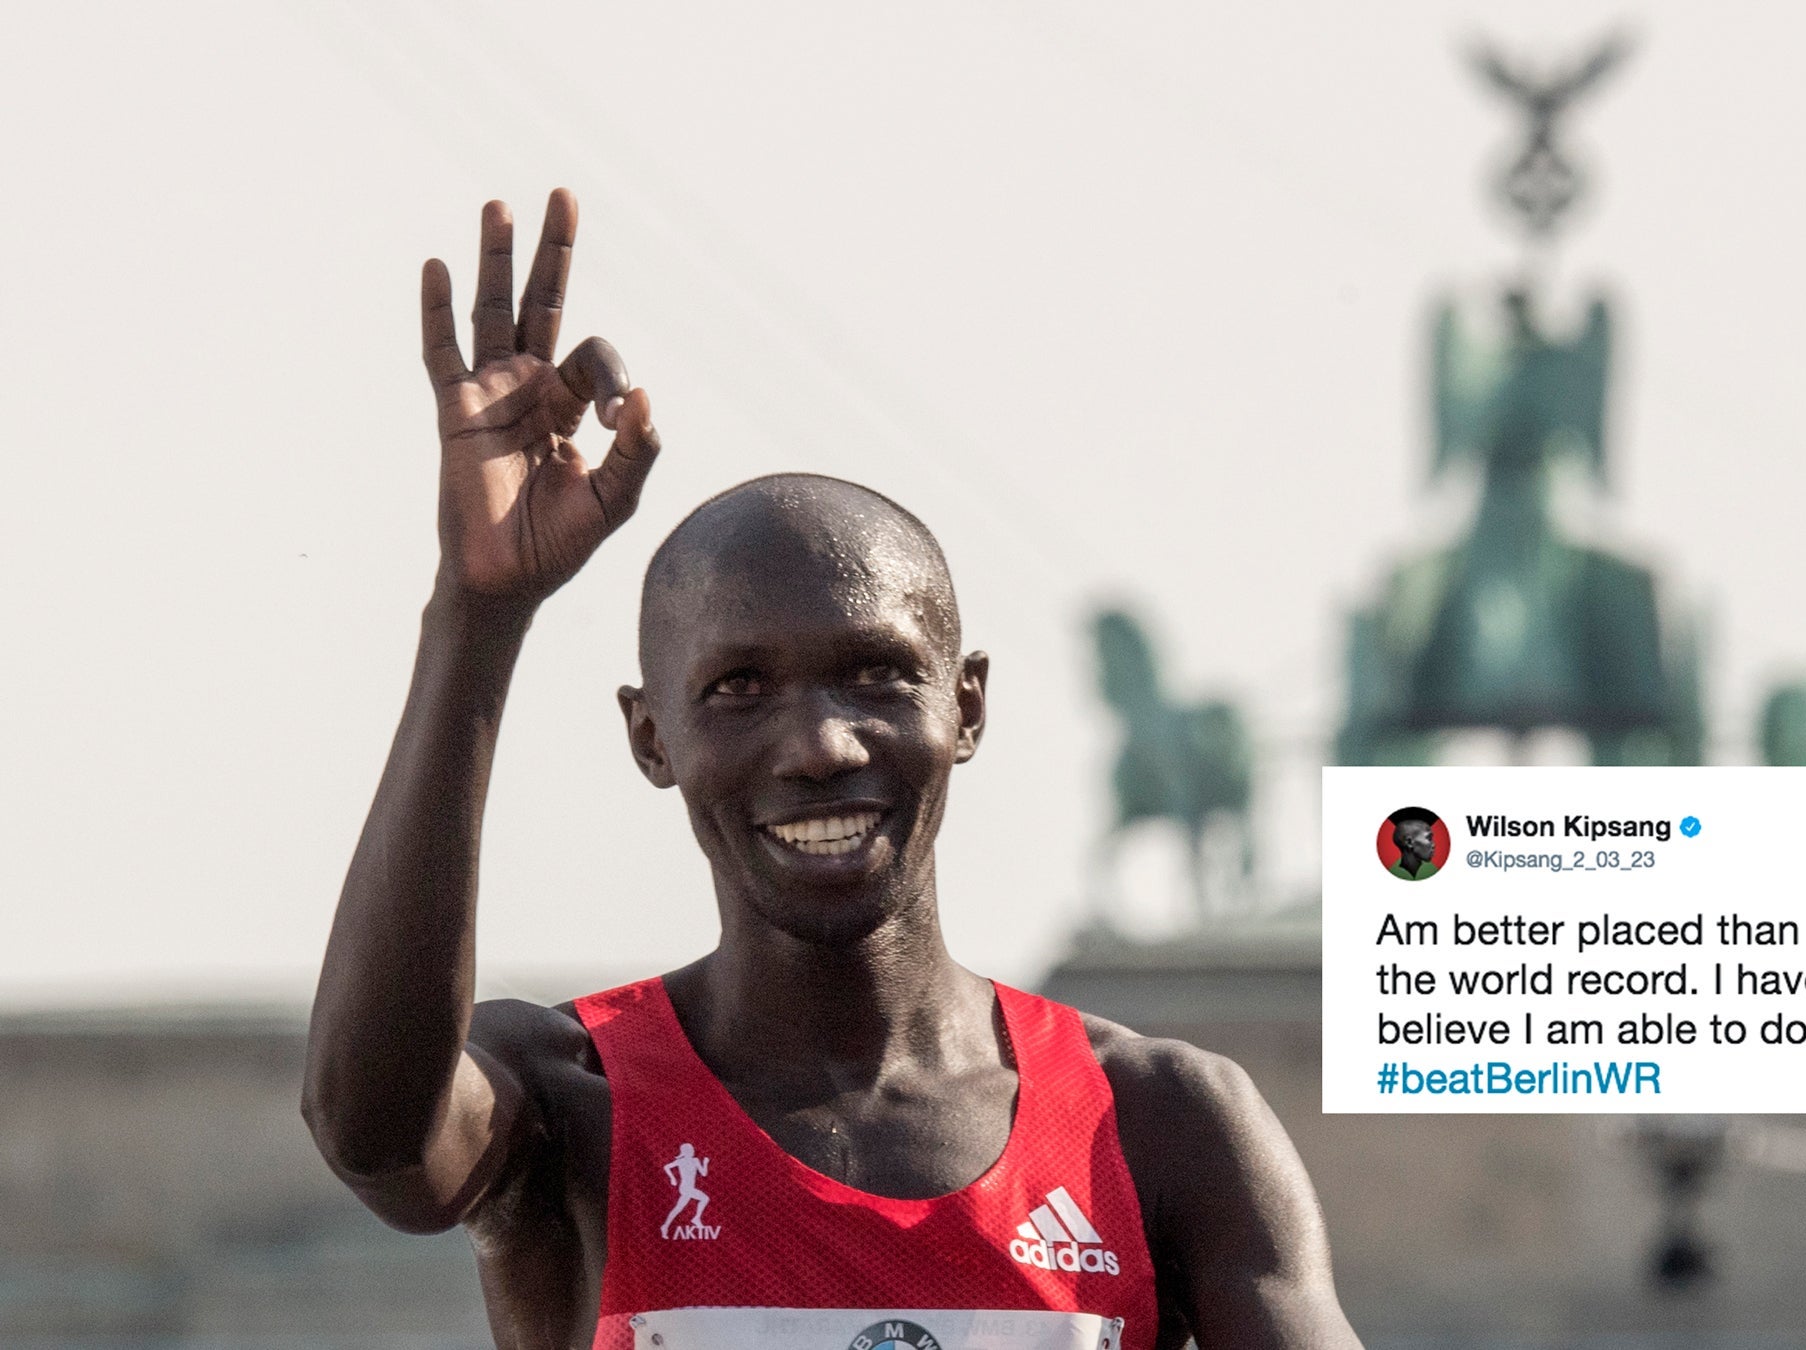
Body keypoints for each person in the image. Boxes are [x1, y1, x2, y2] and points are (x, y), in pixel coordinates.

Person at [302, 189, 1362, 1350]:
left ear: (967, 707)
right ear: (652, 738)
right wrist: (480, 612)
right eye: (739, 689)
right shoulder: (569, 1101)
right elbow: (373, 1133)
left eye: (875, 676)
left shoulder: (1159, 1125)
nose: (819, 746)